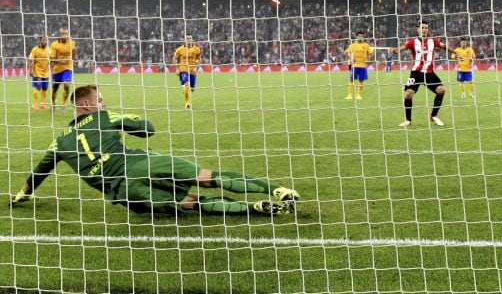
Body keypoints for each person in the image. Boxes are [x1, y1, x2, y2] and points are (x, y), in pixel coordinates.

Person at [10, 84, 300, 215]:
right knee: (207, 176)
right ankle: (276, 190)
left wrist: (21, 195)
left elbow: (37, 174)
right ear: (86, 105)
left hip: (124, 194)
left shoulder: (58, 141)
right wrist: (128, 120)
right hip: (138, 164)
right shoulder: (106, 118)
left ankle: (254, 208)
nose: (104, 104)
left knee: (190, 202)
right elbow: (148, 130)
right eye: (100, 100)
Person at [390, 21, 456, 126]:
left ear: (428, 30)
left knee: (441, 90)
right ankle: (408, 120)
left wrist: (456, 53)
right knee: (408, 94)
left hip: (429, 73)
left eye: (426, 28)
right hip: (416, 73)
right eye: (422, 27)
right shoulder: (412, 42)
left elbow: (444, 47)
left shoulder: (433, 41)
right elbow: (401, 49)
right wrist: (394, 51)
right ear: (418, 30)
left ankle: (433, 116)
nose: (424, 29)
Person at [49, 28, 75, 110]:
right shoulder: (54, 45)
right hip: (57, 70)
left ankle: (63, 104)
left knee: (67, 85)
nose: (65, 35)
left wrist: (71, 61)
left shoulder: (72, 43)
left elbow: (73, 53)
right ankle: (53, 103)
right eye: (63, 34)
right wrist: (60, 61)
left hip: (67, 69)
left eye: (66, 33)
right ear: (59, 35)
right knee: (54, 89)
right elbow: (51, 59)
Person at [174, 34, 202, 109]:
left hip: (192, 69)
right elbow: (175, 59)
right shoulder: (179, 49)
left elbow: (199, 59)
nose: (188, 39)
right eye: (187, 38)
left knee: (192, 89)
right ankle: (187, 103)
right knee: (187, 84)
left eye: (190, 38)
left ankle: (185, 88)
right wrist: (177, 68)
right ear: (185, 40)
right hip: (183, 68)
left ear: (192, 39)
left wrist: (196, 67)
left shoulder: (197, 49)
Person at [344, 32, 374, 100]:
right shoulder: (353, 45)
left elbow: (371, 53)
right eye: (359, 36)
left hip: (363, 65)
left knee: (361, 80)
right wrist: (350, 59)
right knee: (352, 80)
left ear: (363, 37)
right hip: (354, 65)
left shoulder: (366, 45)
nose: (360, 37)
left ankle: (358, 95)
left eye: (361, 36)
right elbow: (346, 52)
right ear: (357, 37)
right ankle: (349, 95)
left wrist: (368, 59)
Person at [28, 35, 50, 110]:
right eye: (43, 40)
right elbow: (31, 60)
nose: (45, 41)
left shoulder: (48, 50)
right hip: (38, 72)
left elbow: (52, 59)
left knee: (45, 88)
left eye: (46, 40)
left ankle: (42, 104)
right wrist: (31, 70)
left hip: (46, 73)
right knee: (38, 86)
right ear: (40, 41)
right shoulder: (35, 49)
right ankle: (33, 104)